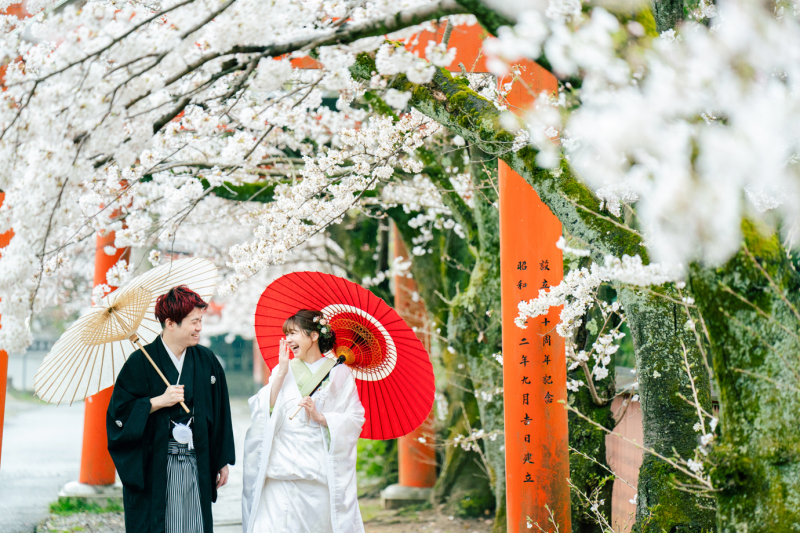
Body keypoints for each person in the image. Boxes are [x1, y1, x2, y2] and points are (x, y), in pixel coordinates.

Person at [107, 285, 235, 533]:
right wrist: (156, 402)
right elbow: (118, 416)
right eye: (194, 321)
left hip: (196, 462)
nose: (199, 327)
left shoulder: (206, 360)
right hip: (155, 467)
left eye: (201, 321)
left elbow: (220, 413)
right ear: (170, 323)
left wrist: (221, 460)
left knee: (193, 524)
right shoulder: (140, 363)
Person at [242, 309, 366, 533]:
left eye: (293, 333)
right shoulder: (284, 369)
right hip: (279, 470)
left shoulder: (340, 373)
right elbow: (262, 410)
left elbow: (355, 418)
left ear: (314, 335)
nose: (288, 340)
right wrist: (280, 374)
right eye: (286, 334)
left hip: (316, 473)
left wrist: (321, 417)